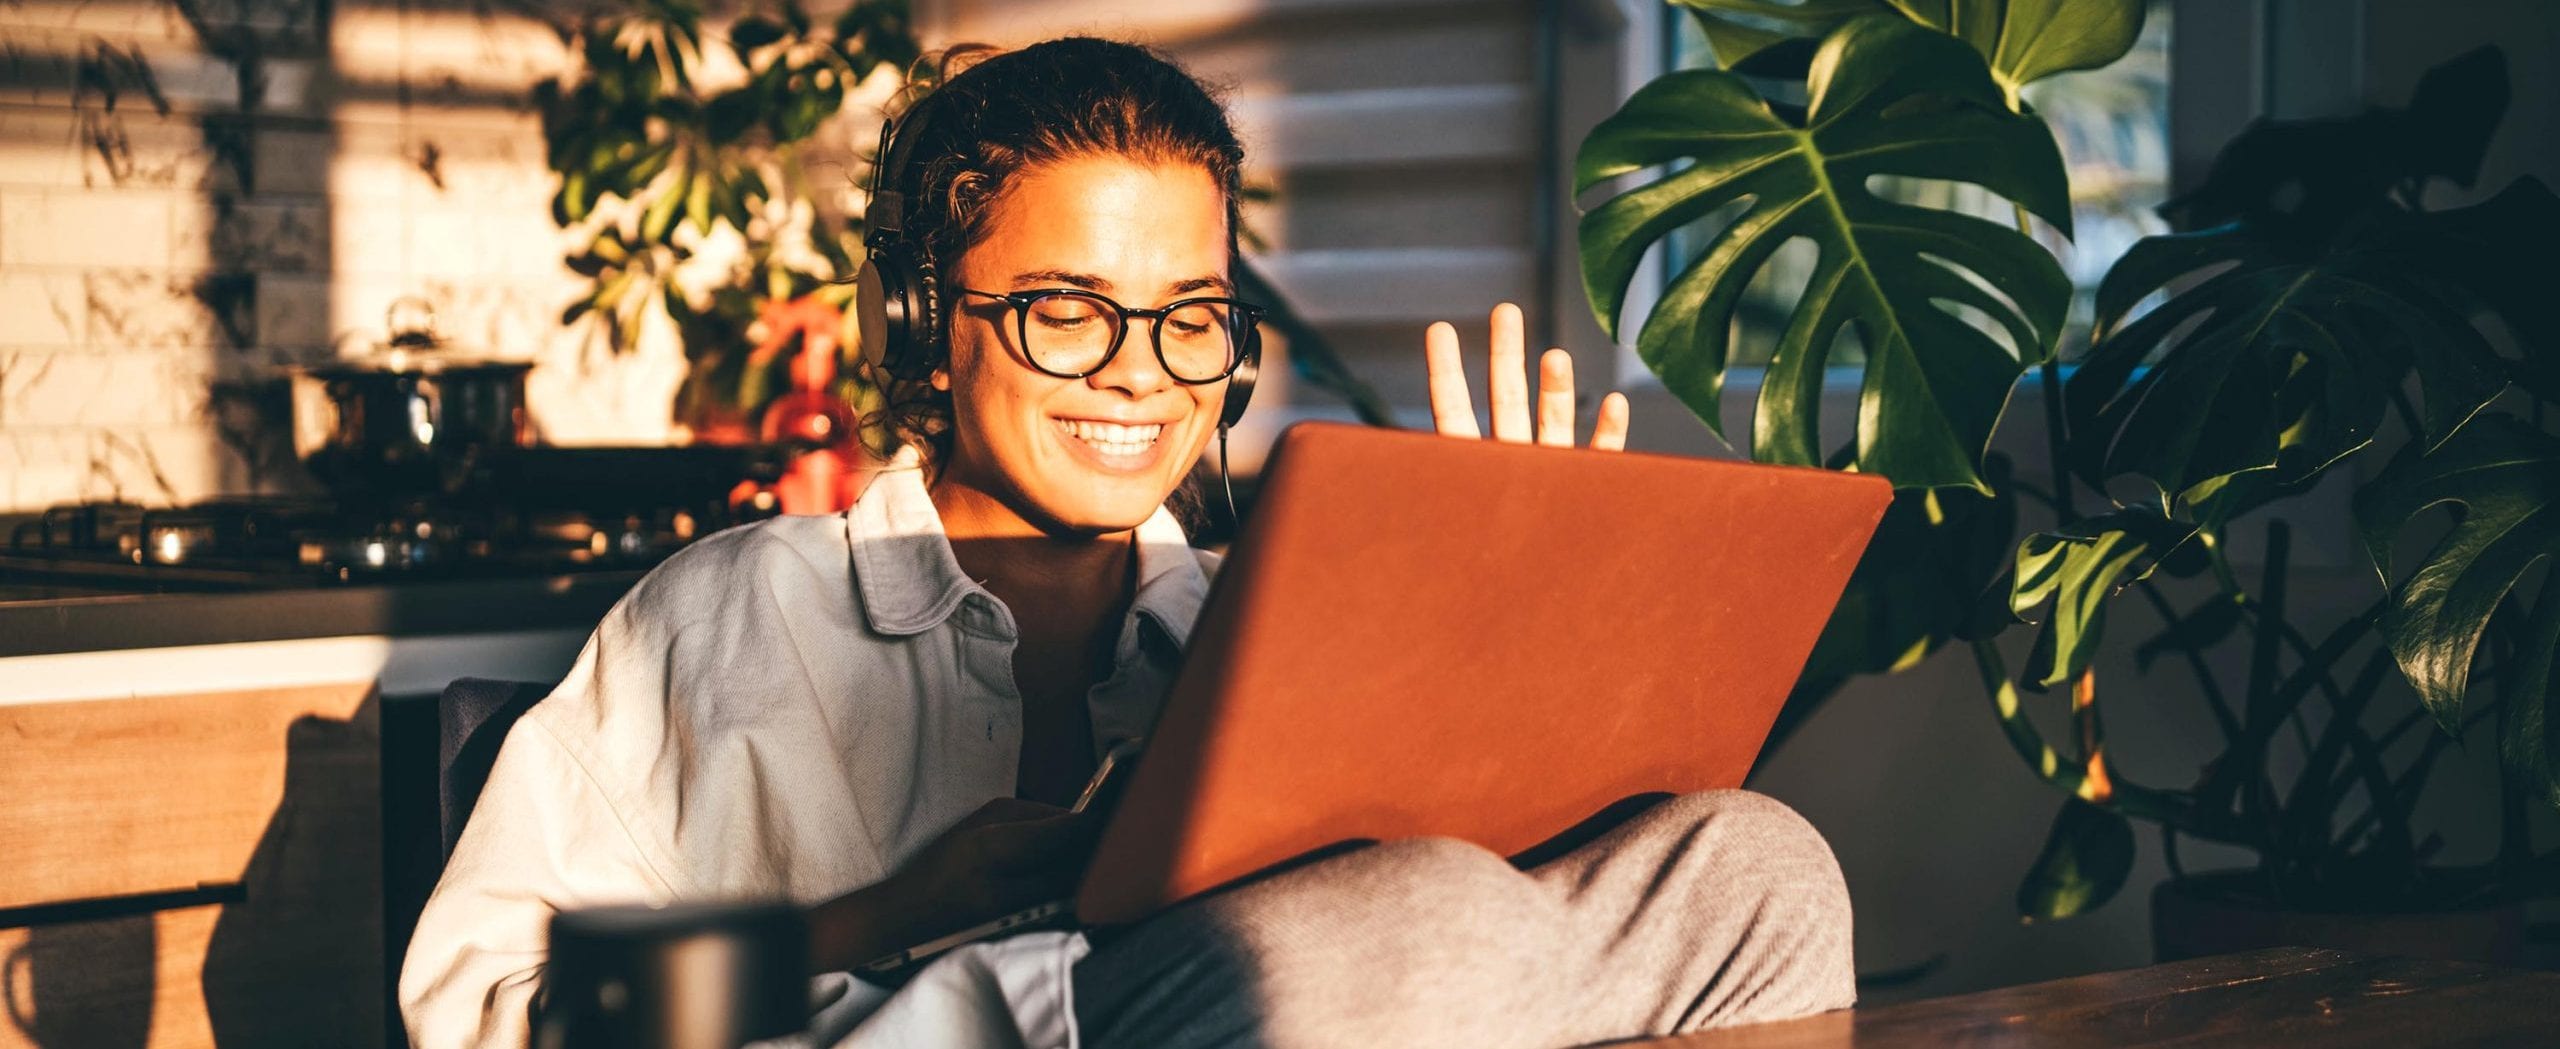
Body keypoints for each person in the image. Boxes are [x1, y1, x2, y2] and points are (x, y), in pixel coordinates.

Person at [400, 36, 1854, 1049]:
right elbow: (492, 1010)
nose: (1139, 371)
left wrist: (1526, 665)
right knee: (1417, 921)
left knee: (1762, 867)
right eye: (1066, 307)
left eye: (1189, 316)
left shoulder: (1261, 620)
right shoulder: (725, 618)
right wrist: (875, 917)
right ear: (924, 326)